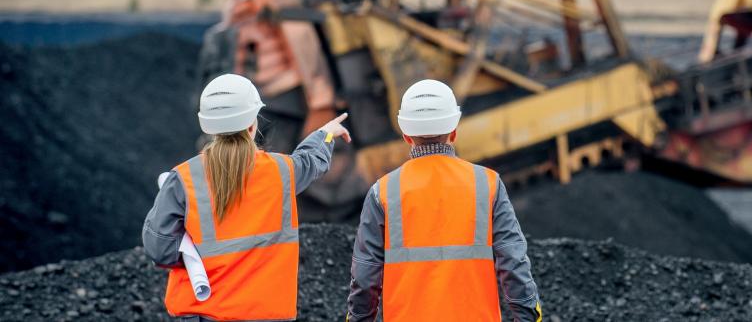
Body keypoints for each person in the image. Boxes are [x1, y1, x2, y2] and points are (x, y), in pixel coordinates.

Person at [143, 73, 351, 321]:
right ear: (253, 125)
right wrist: (326, 133)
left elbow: (160, 249)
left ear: (207, 125)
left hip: (204, 315)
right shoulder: (282, 172)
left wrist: (196, 255)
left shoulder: (183, 179)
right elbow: (311, 160)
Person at [347, 79, 542, 321]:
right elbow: (514, 263)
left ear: (406, 135)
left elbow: (365, 278)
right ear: (454, 131)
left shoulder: (383, 192)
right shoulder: (487, 184)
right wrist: (528, 316)